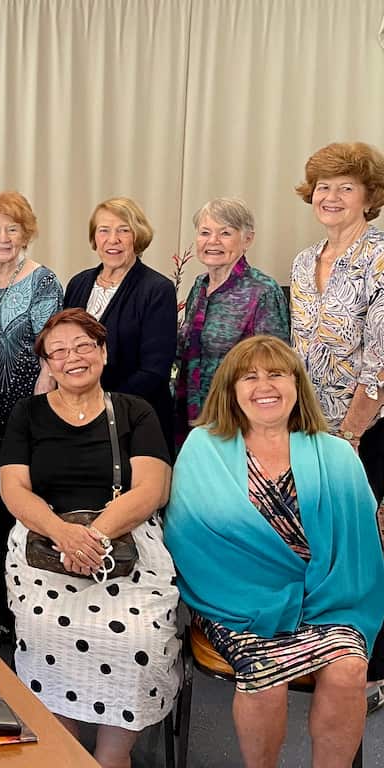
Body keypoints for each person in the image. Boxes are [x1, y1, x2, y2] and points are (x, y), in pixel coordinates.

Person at [166, 335, 384, 767]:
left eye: (276, 375)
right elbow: (193, 542)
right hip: (234, 602)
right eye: (250, 377)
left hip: (328, 598)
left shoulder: (338, 454)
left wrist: (315, 598)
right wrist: (264, 596)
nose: (264, 386)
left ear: (296, 385)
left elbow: (360, 551)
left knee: (348, 670)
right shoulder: (203, 449)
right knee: (265, 675)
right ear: (231, 390)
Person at [0, 308, 179, 768]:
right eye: (57, 352)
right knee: (43, 629)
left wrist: (93, 537)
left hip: (125, 541)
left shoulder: (135, 410)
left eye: (82, 346)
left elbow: (152, 488)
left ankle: (112, 757)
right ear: (47, 364)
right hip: (44, 542)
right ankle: (64, 751)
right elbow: (13, 488)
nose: (71, 358)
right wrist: (63, 533)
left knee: (138, 636)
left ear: (102, 351)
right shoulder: (28, 413)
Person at [288, 140, 384, 709]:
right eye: (323, 187)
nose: (331, 196)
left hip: (368, 430)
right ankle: (328, 653)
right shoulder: (305, 260)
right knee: (321, 539)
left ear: (369, 197)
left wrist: (350, 434)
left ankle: (371, 671)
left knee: (366, 544)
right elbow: (299, 351)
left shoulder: (380, 257)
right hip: (313, 426)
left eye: (345, 187)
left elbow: (380, 360)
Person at [0, 191, 63, 629]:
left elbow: (47, 348)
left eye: (12, 229)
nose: (3, 238)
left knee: (16, 500)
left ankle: (18, 607)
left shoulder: (43, 280)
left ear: (26, 233)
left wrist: (41, 400)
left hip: (23, 407)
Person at [63, 197, 177, 450]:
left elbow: (154, 371)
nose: (112, 239)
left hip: (134, 421)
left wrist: (101, 405)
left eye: (123, 230)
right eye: (104, 230)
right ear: (95, 238)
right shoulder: (78, 284)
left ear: (137, 237)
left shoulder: (157, 290)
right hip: (79, 418)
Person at [174, 197, 289, 447]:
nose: (212, 241)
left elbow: (275, 365)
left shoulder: (263, 291)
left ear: (247, 239)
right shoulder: (199, 286)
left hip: (236, 421)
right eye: (205, 233)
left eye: (225, 233)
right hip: (192, 416)